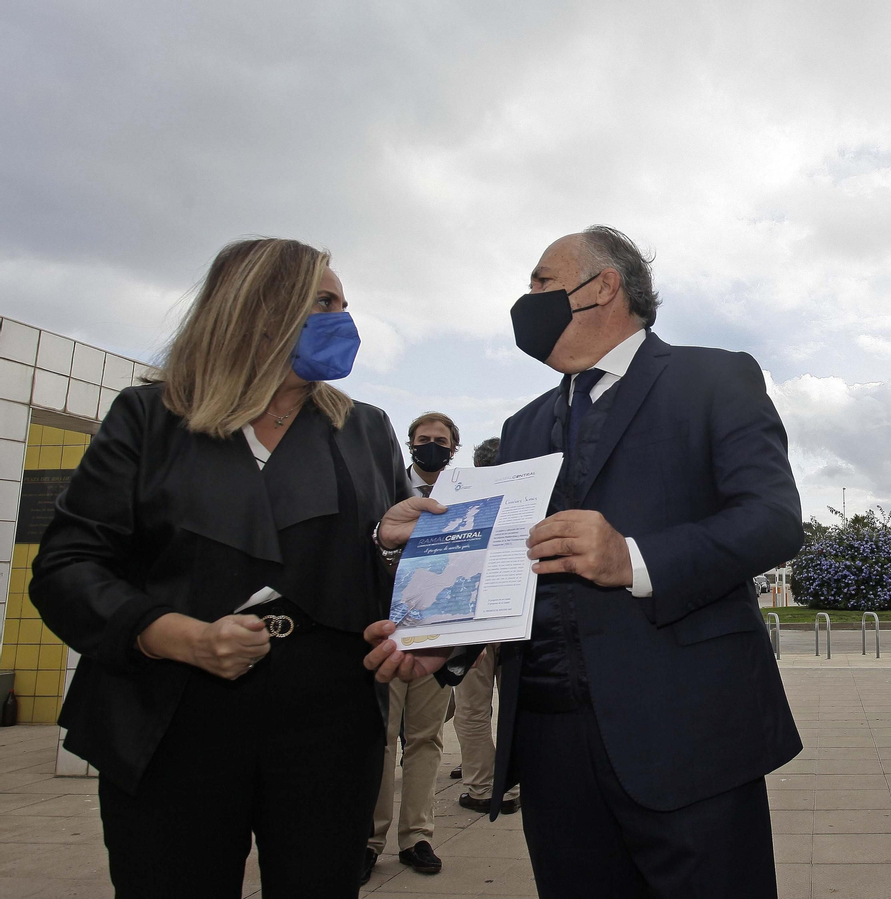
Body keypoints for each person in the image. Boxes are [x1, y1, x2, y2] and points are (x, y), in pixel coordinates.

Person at [362, 225, 804, 898]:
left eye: (541, 282)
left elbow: (773, 518)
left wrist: (632, 557)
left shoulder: (714, 376)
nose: (526, 299)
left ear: (603, 286)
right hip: (551, 745)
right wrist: (444, 641)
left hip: (688, 735)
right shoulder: (522, 427)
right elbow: (512, 569)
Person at [30, 238, 418, 898]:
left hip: (327, 727)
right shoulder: (148, 419)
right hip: (168, 717)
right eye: (325, 301)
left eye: (346, 304)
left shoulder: (365, 429)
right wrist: (176, 634)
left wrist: (389, 549)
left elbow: (379, 573)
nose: (344, 318)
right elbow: (68, 566)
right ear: (259, 308)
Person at [363, 411, 463, 881]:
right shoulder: (384, 486)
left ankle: (417, 836)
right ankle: (369, 836)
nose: (431, 446)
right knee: (381, 737)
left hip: (440, 635)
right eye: (423, 439)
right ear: (410, 444)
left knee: (426, 737)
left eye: (440, 440)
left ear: (453, 447)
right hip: (388, 630)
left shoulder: (464, 497)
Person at [450, 435, 522, 815]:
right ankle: (508, 779)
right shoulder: (528, 503)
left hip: (473, 621)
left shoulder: (466, 506)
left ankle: (482, 785)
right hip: (515, 620)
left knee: (474, 708)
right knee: (514, 704)